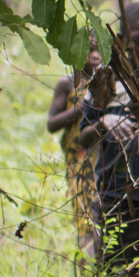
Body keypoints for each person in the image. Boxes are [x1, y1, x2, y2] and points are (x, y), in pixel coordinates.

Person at [81, 4, 139, 277]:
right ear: (121, 41)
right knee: (115, 272)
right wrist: (102, 123)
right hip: (115, 197)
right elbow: (83, 136)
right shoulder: (106, 83)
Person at [48, 44, 103, 260]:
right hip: (79, 159)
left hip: (104, 156)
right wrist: (82, 106)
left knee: (104, 209)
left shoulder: (107, 81)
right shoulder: (67, 84)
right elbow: (52, 124)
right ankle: (87, 272)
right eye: (89, 49)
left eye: (100, 49)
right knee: (85, 214)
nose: (96, 55)